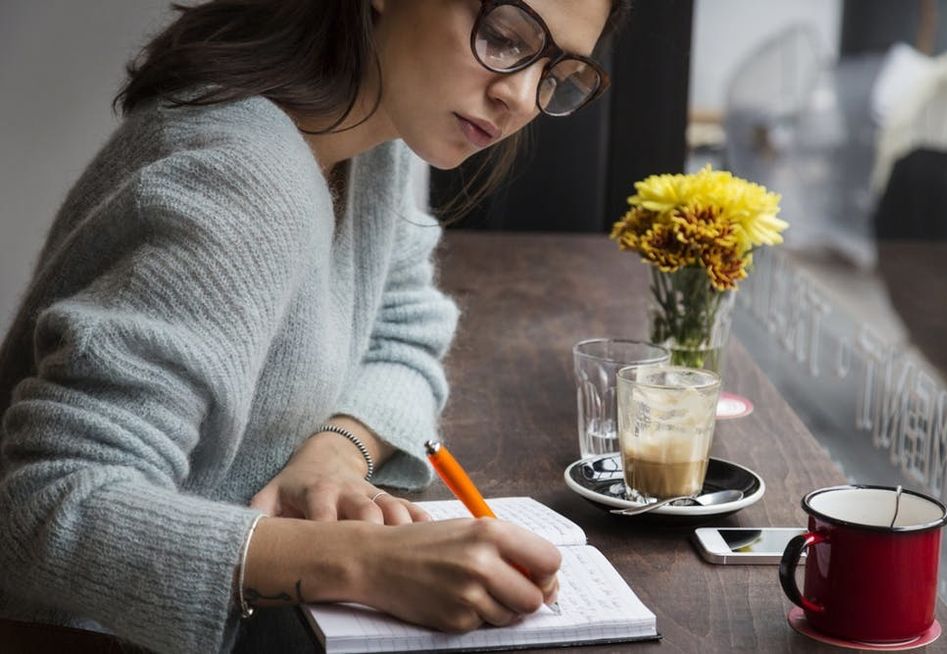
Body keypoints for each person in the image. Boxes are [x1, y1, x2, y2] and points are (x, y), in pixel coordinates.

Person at [0, 0, 629, 651]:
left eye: (557, 72)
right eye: (502, 38)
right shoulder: (239, 184)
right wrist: (359, 563)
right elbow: (47, 506)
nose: (521, 97)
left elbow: (406, 335)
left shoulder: (380, 136)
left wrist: (332, 456)